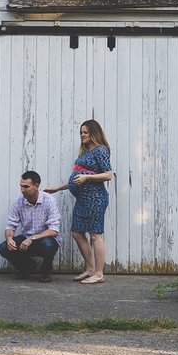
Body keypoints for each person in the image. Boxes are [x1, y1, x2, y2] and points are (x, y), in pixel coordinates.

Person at [46, 119, 115, 285]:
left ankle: (99, 273)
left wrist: (88, 177)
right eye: (81, 132)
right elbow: (76, 179)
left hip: (95, 198)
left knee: (95, 235)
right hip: (82, 199)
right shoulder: (83, 153)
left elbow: (108, 174)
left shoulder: (101, 150)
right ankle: (90, 268)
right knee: (77, 232)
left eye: (85, 132)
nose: (82, 135)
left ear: (94, 133)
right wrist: (58, 188)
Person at [0, 171, 62, 279]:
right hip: (26, 240)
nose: (22, 190)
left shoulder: (49, 200)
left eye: (26, 187)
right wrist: (9, 239)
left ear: (36, 186)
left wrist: (32, 238)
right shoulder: (19, 201)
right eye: (21, 186)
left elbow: (54, 230)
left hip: (45, 240)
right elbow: (10, 225)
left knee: (48, 245)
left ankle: (45, 272)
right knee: (3, 247)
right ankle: (27, 267)